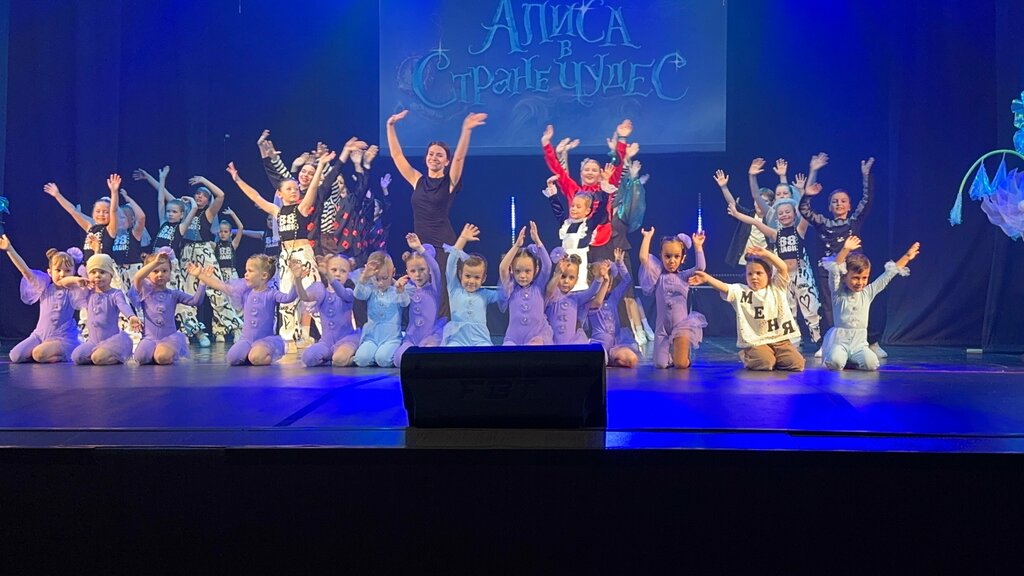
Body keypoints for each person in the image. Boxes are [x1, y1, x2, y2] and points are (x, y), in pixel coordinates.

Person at [386, 109, 487, 317]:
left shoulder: (449, 183)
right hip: (421, 246)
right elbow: (397, 155)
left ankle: (442, 332)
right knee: (423, 293)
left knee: (441, 294)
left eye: (440, 155)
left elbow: (459, 159)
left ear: (446, 161)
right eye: (431, 154)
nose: (434, 158)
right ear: (426, 158)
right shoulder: (417, 180)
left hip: (443, 247)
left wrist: (466, 130)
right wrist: (390, 126)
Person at [226, 151, 332, 345]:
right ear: (280, 193)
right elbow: (255, 196)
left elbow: (312, 189)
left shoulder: (301, 208)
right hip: (285, 258)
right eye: (289, 189)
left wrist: (321, 167)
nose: (294, 191)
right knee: (286, 298)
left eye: (296, 189)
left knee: (312, 295)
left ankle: (328, 336)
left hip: (303, 256)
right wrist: (237, 179)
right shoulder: (277, 211)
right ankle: (289, 338)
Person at [799, 156, 880, 357]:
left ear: (849, 206)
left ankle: (871, 342)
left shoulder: (853, 221)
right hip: (829, 270)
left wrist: (866, 176)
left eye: (843, 201)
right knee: (828, 306)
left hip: (852, 270)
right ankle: (828, 342)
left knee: (861, 303)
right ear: (829, 207)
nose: (839, 204)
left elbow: (867, 201)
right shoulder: (823, 223)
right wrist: (807, 195)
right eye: (835, 202)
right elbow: (804, 211)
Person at [688, 246, 805, 371]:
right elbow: (724, 287)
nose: (754, 277)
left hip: (779, 339)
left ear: (769, 274)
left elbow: (783, 268)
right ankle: (748, 355)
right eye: (750, 274)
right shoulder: (741, 291)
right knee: (765, 363)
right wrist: (707, 278)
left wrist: (766, 254)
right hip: (757, 341)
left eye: (759, 273)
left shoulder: (777, 286)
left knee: (797, 364)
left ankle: (774, 356)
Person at [727, 195, 822, 346]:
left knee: (811, 308)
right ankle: (793, 342)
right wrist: (737, 214)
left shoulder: (799, 230)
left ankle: (819, 341)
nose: (784, 215)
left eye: (788, 212)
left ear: (794, 214)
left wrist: (808, 194)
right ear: (776, 217)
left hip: (801, 275)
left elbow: (806, 213)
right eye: (781, 213)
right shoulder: (774, 234)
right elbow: (755, 222)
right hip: (783, 278)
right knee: (787, 309)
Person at [821, 236, 920, 371]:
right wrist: (845, 250)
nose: (860, 282)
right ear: (845, 277)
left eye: (864, 278)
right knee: (836, 363)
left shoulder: (867, 293)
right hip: (840, 342)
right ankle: (840, 358)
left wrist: (907, 257)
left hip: (859, 344)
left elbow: (887, 276)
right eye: (855, 278)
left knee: (871, 364)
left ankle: (851, 360)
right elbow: (835, 270)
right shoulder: (838, 293)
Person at [195, 255, 298, 366]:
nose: (246, 274)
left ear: (264, 275)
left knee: (256, 357)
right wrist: (200, 275)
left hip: (264, 340)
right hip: (246, 339)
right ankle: (250, 354)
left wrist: (297, 280)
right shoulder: (245, 292)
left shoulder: (271, 294)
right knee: (232, 358)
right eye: (246, 270)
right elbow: (221, 286)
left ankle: (261, 354)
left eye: (250, 271)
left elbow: (289, 298)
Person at [2, 236, 82, 363]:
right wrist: (9, 249)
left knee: (38, 354)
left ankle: (63, 355)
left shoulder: (74, 290)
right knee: (15, 356)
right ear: (50, 272)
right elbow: (25, 271)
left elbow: (67, 282)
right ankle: (43, 352)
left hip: (62, 337)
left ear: (73, 272)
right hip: (40, 334)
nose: (62, 274)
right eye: (58, 270)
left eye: (67, 270)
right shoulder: (43, 287)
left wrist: (76, 280)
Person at [638, 228, 708, 369]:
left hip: (681, 326)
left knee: (681, 365)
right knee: (660, 364)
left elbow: (700, 267)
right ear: (661, 256)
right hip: (662, 327)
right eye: (668, 256)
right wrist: (647, 237)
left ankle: (683, 358)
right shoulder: (658, 276)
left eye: (676, 257)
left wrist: (698, 246)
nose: (672, 261)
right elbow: (644, 258)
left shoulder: (684, 276)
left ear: (682, 258)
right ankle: (669, 357)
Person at [130, 250, 207, 365]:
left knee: (161, 357)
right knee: (140, 358)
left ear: (170, 273)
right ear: (148, 273)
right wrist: (155, 262)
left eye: (164, 271)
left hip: (168, 338)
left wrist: (202, 281)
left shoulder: (174, 294)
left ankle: (168, 352)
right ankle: (155, 352)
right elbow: (137, 277)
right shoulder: (144, 292)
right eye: (155, 271)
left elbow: (196, 301)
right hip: (149, 338)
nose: (160, 274)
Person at [69, 254, 140, 365]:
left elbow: (123, 305)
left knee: (97, 358)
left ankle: (116, 357)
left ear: (111, 275)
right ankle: (98, 354)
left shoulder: (115, 294)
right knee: (77, 357)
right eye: (93, 272)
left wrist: (131, 316)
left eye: (102, 272)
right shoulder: (88, 293)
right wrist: (77, 280)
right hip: (93, 342)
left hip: (111, 341)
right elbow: (64, 282)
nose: (97, 276)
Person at [441, 224, 501, 347]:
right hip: (457, 340)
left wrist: (506, 271)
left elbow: (504, 294)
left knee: (488, 353)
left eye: (477, 277)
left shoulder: (485, 294)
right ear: (460, 274)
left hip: (481, 340)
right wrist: (462, 239)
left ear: (483, 279)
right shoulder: (454, 289)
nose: (472, 281)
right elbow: (451, 263)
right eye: (468, 276)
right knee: (449, 353)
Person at [392, 233, 445, 367]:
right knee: (398, 360)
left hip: (430, 335)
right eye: (413, 271)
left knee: (427, 359)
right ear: (407, 272)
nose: (418, 274)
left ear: (429, 270)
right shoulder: (409, 289)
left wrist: (419, 248)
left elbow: (436, 268)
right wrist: (399, 290)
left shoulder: (434, 288)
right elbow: (402, 302)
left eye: (422, 269)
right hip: (412, 337)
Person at [299, 254, 360, 368]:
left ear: (348, 274)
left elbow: (341, 292)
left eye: (343, 271)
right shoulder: (321, 291)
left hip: (346, 339)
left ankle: (351, 359)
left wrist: (328, 275)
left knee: (339, 358)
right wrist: (297, 280)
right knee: (308, 358)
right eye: (334, 270)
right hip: (326, 342)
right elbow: (305, 297)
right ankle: (332, 359)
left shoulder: (349, 292)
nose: (338, 274)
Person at [498, 221, 554, 346]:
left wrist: (537, 241)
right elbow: (502, 268)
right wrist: (517, 246)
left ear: (536, 270)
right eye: (518, 271)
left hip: (535, 337)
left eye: (527, 271)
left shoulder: (539, 287)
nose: (522, 276)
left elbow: (548, 265)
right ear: (512, 270)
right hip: (513, 338)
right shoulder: (510, 288)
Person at [353, 251, 409, 367]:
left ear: (393, 272)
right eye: (376, 279)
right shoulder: (371, 290)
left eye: (384, 278)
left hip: (391, 338)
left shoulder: (396, 290)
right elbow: (358, 294)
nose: (381, 283)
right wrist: (364, 278)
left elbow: (405, 303)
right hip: (372, 338)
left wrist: (401, 291)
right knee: (362, 359)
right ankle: (371, 354)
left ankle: (385, 353)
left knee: (383, 359)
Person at [586, 249, 639, 368]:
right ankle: (607, 359)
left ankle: (613, 359)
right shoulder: (589, 301)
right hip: (599, 345)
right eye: (602, 280)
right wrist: (604, 280)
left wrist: (620, 264)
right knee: (600, 360)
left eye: (608, 282)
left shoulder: (613, 298)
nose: (606, 284)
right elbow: (598, 302)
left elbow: (627, 280)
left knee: (632, 359)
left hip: (615, 345)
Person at [544, 249, 604, 345]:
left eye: (571, 278)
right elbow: (549, 289)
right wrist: (559, 273)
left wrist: (599, 277)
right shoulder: (552, 295)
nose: (566, 281)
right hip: (551, 343)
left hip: (571, 344)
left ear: (576, 280)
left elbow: (591, 292)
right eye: (563, 276)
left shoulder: (576, 298)